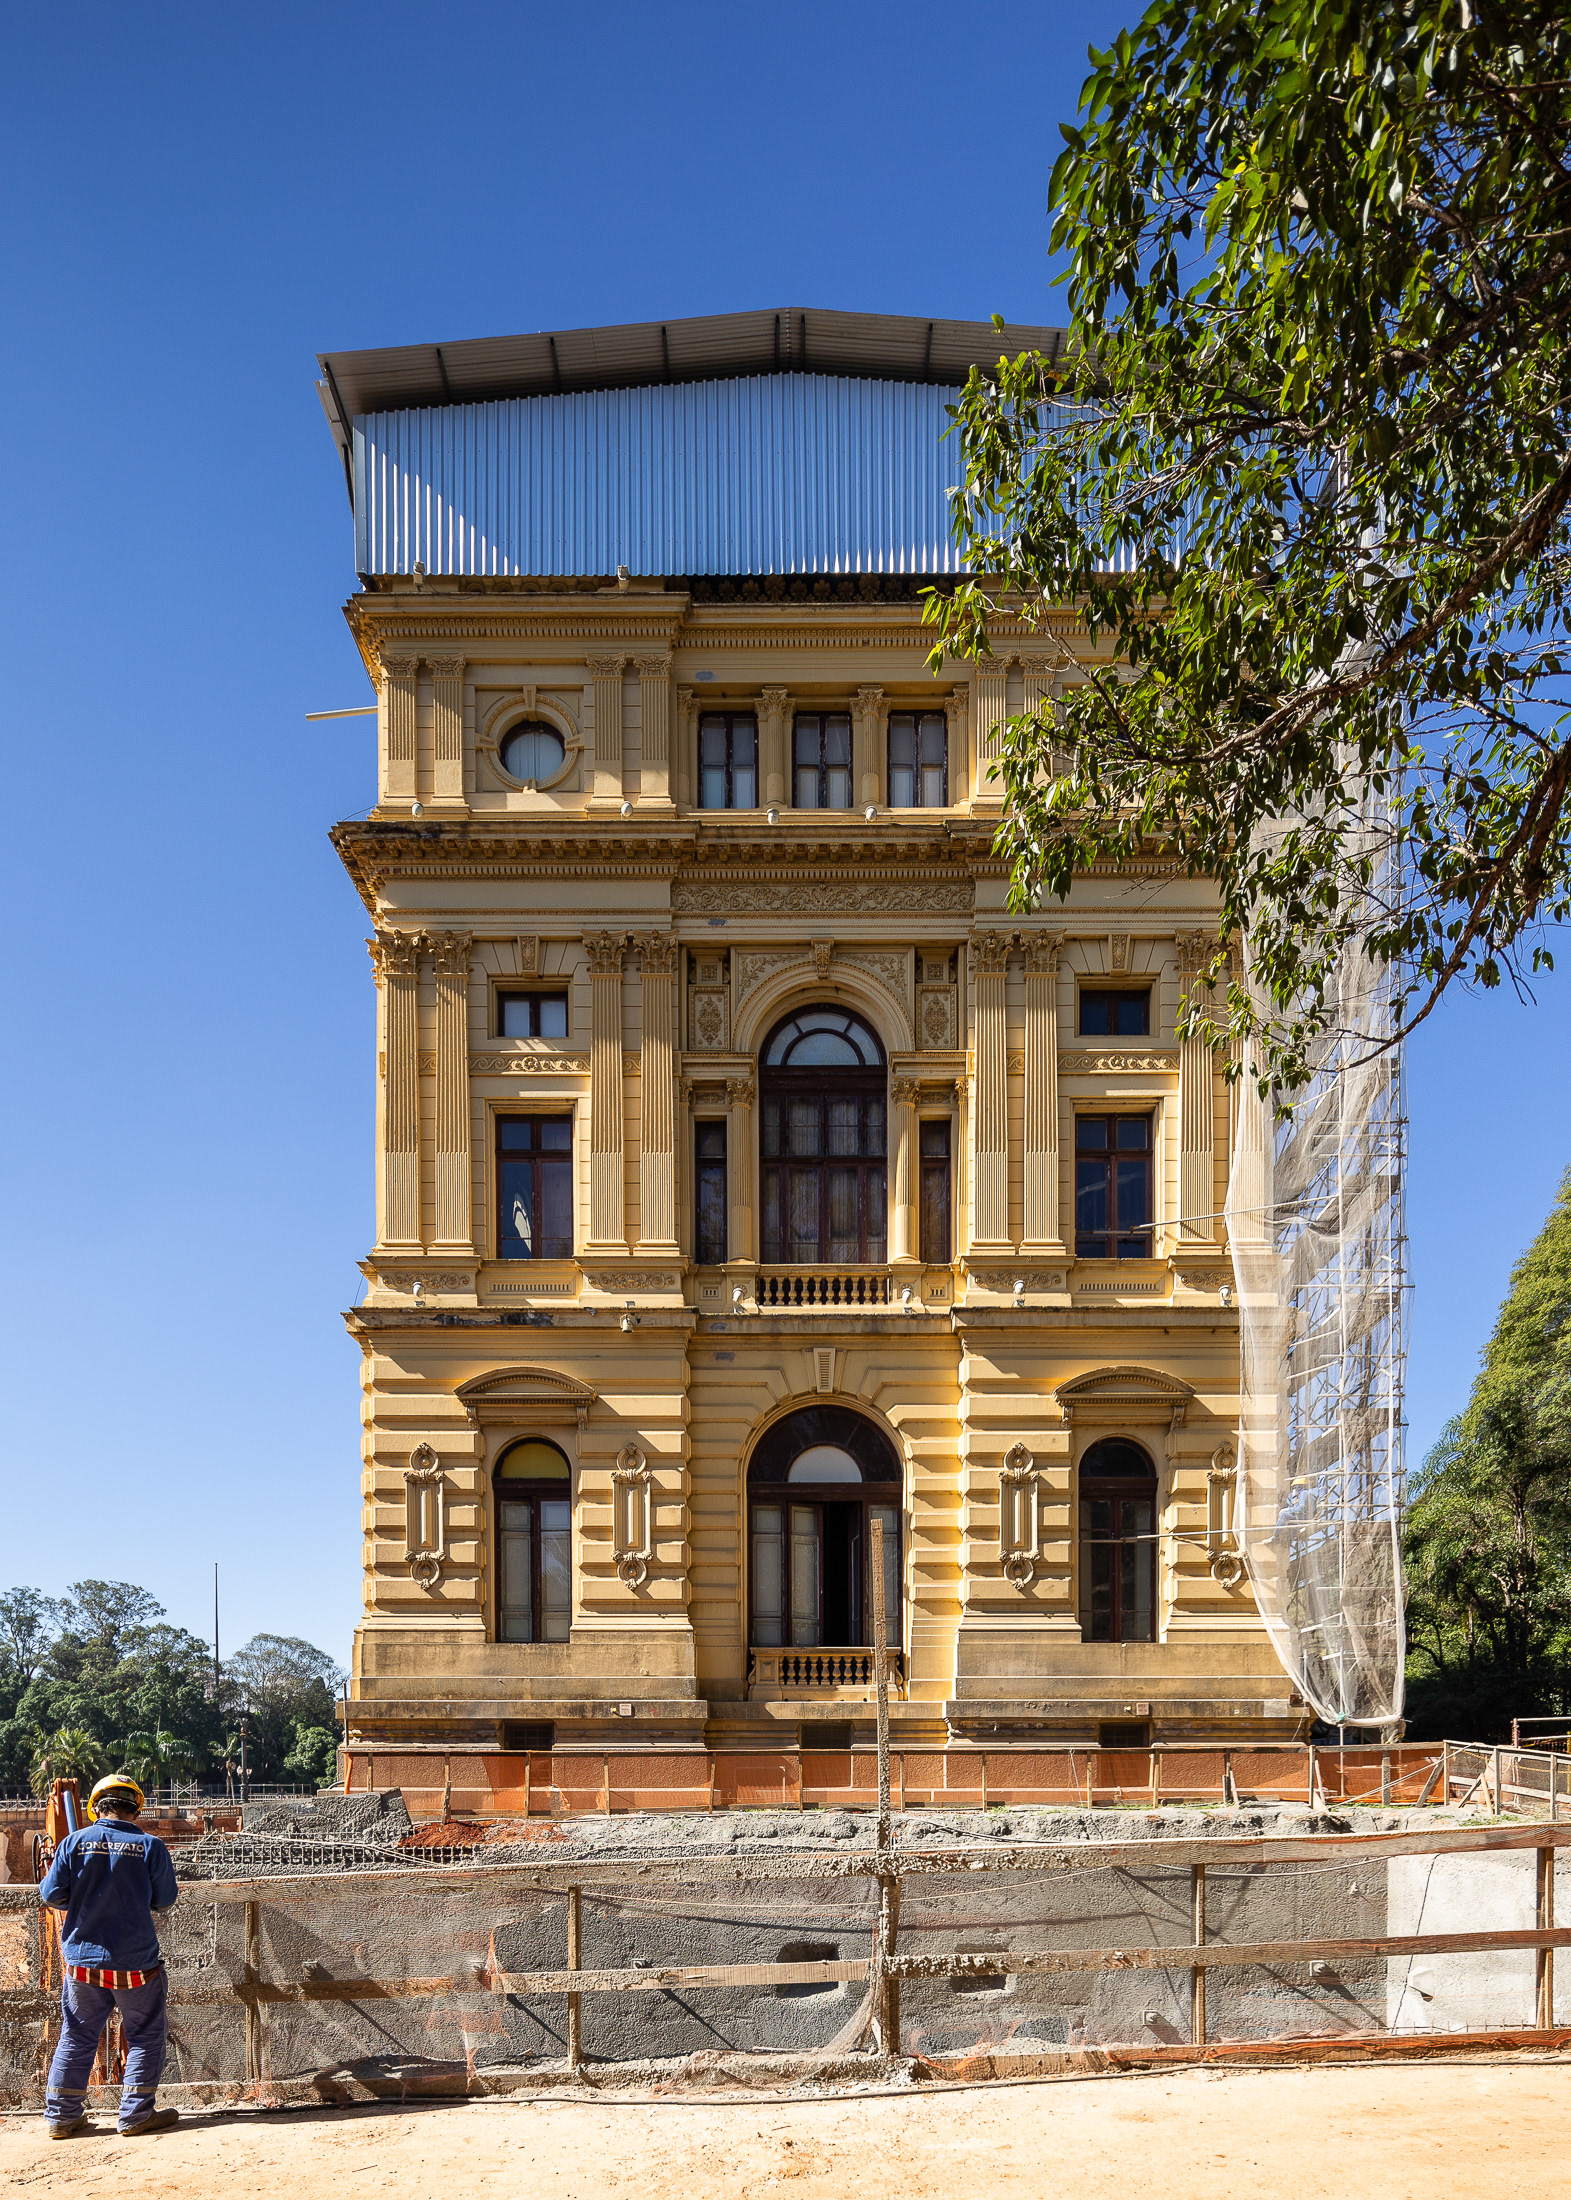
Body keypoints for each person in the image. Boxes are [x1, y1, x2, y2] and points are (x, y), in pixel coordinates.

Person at [40, 1773, 180, 2139]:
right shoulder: (150, 1846)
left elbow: (52, 1895)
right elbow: (165, 1899)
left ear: (96, 1807)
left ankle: (62, 2117)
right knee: (145, 2035)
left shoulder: (73, 1843)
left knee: (77, 2035)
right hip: (136, 1965)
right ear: (136, 1809)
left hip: (82, 1963)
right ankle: (135, 2116)